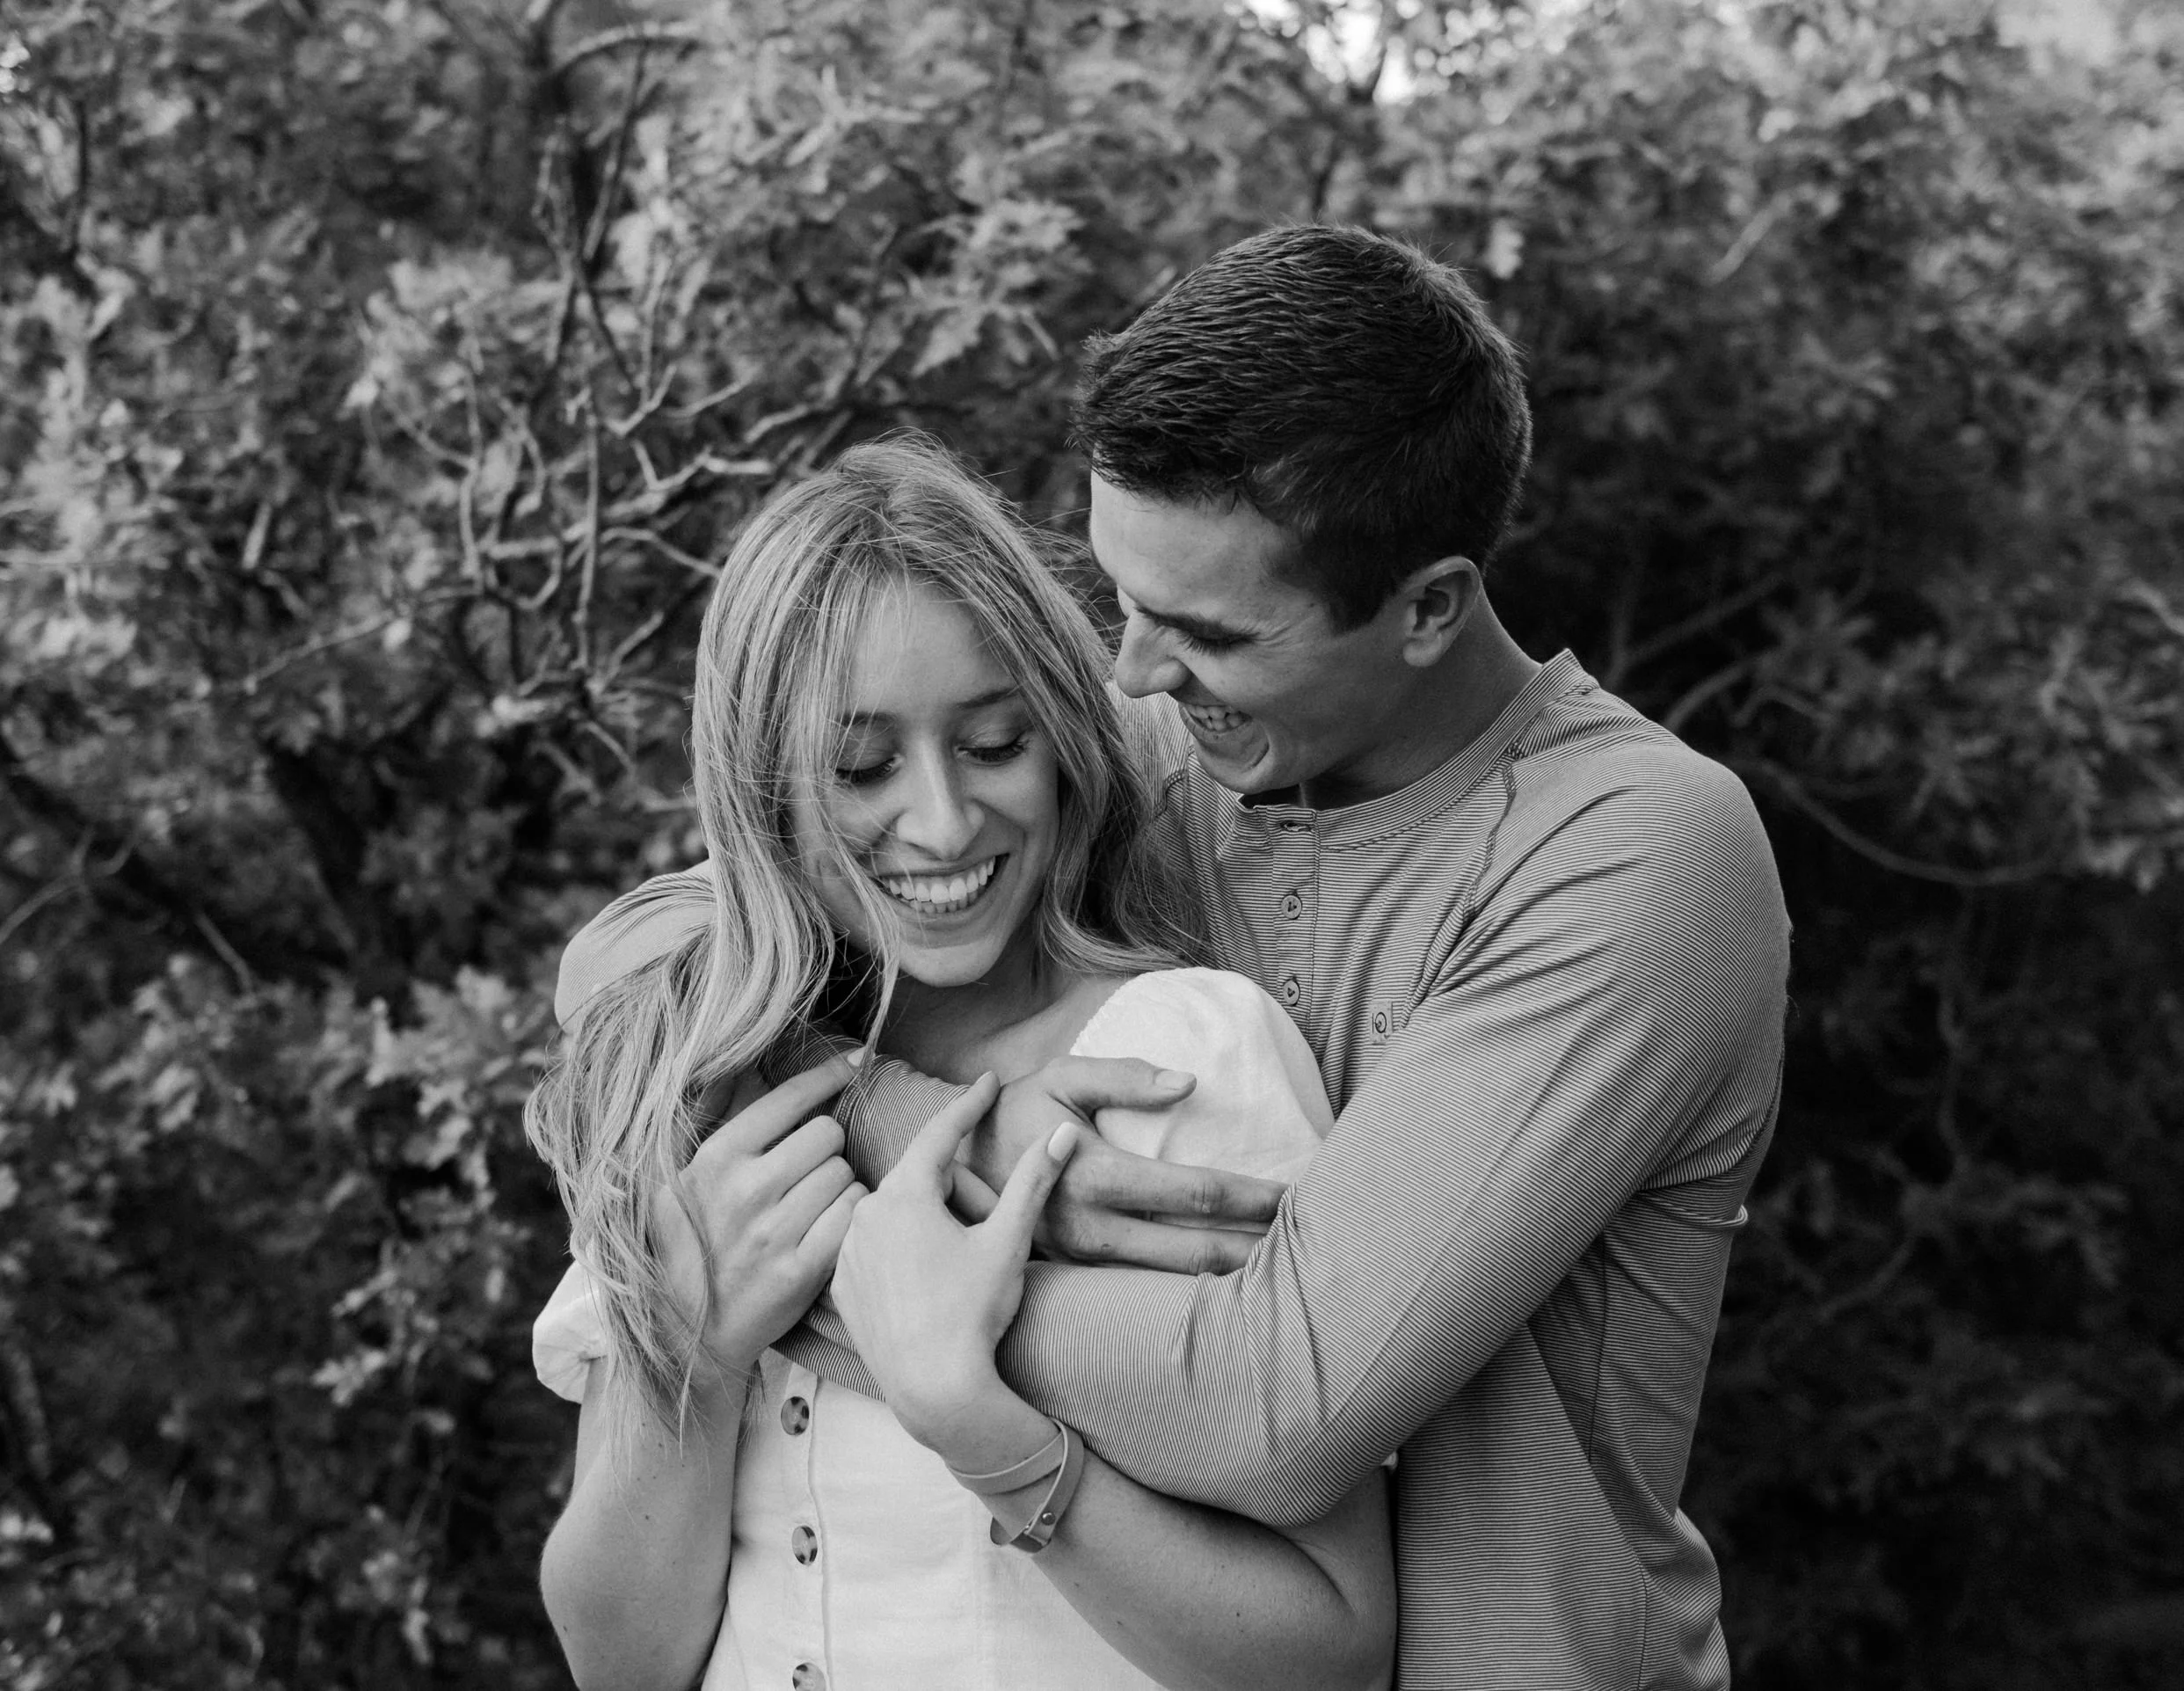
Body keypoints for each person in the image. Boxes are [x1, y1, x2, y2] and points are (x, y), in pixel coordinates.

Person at [576, 224, 1794, 1689]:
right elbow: (644, 950)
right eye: (1122, 596)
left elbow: (1280, 1407)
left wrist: (873, 1252)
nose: (1134, 669)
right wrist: (947, 1122)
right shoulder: (1152, 759)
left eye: (1206, 629)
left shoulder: (1632, 850)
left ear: (1429, 607)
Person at [523, 437, 1395, 1691]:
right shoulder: (716, 1087)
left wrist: (995, 1442)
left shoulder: (1175, 1058)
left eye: (992, 744)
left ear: (1061, 745)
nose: (940, 823)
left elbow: (1332, 1653)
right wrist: (702, 1363)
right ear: (762, 788)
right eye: (861, 767)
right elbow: (619, 1658)